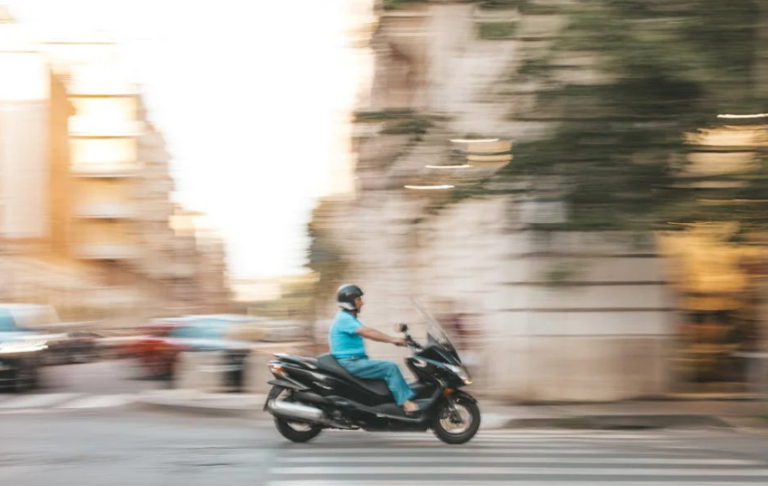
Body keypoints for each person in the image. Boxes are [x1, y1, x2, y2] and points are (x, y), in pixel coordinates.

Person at [328, 284, 420, 414]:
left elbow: (368, 333)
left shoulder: (348, 318)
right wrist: (393, 339)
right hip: (351, 362)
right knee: (390, 367)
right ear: (350, 301)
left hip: (354, 360)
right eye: (359, 299)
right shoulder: (344, 319)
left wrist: (397, 341)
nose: (362, 302)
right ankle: (406, 403)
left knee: (388, 371)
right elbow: (368, 332)